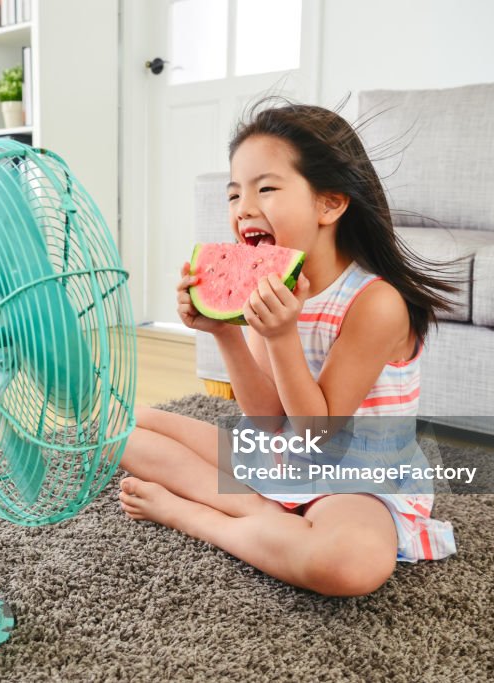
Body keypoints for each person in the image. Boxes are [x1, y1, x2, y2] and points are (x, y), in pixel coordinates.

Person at [118, 100, 458, 597]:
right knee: (121, 430)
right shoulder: (269, 282)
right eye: (234, 195)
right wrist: (225, 331)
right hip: (280, 456)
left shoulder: (376, 303)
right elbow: (268, 419)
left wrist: (281, 336)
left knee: (349, 565)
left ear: (330, 203)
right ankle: (264, 513)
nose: (243, 209)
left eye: (267, 189)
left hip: (356, 479)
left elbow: (318, 435)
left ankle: (204, 515)